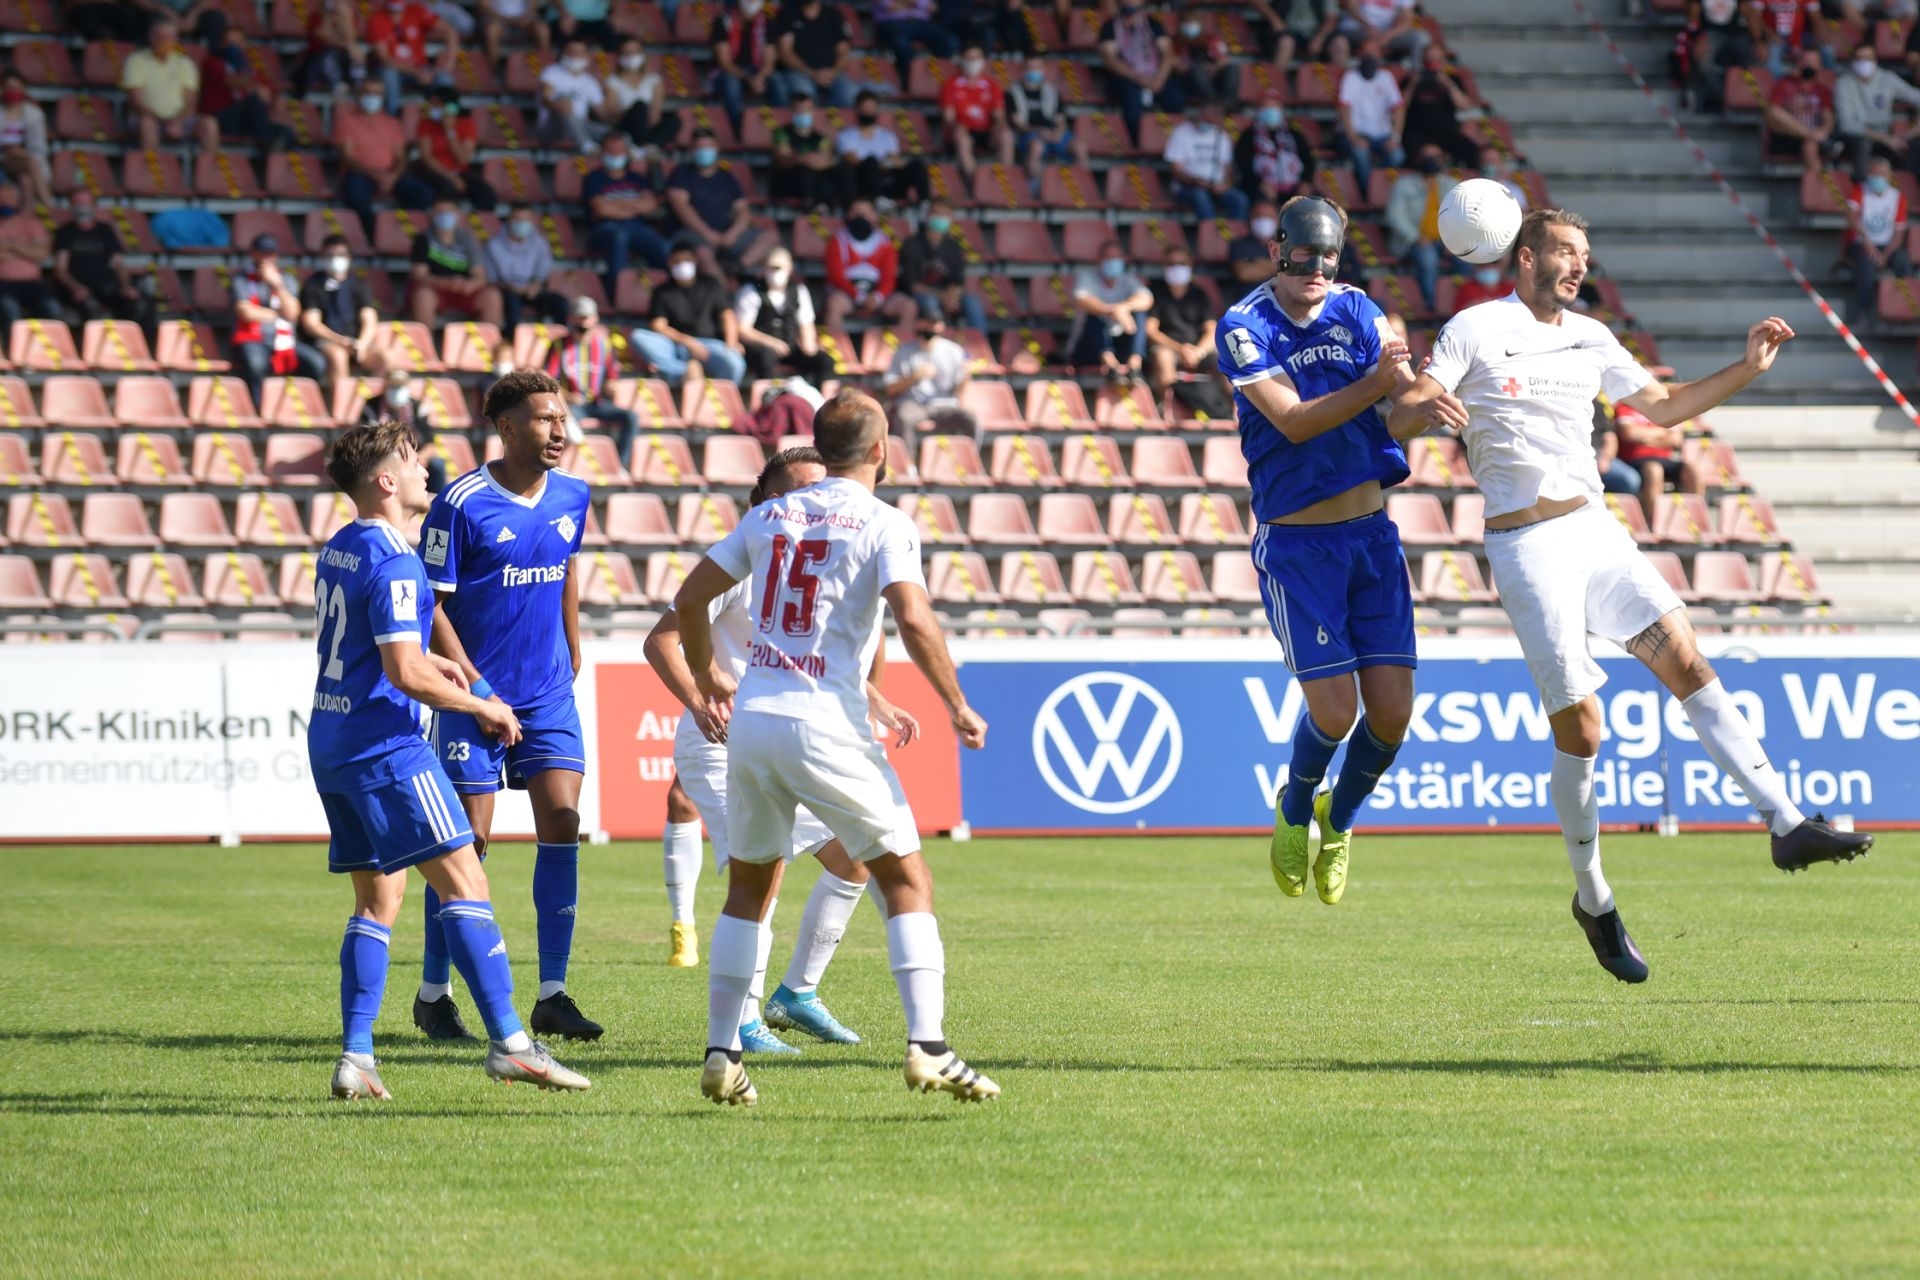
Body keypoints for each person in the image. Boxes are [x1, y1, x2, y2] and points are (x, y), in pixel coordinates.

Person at [1388, 207, 1873, 984]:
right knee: (1584, 728)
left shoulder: (1590, 336)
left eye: (1585, 254)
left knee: (1686, 657)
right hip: (1527, 545)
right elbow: (1406, 411)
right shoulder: (1476, 329)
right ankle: (1595, 900)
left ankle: (1784, 821)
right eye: (1566, 252)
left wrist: (1747, 368)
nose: (1579, 265)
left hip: (1595, 530)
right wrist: (1418, 405)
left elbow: (1667, 407)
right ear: (1526, 256)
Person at [672, 388, 999, 1108]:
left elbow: (688, 601)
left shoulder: (768, 515)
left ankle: (722, 1051)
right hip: (826, 723)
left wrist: (707, 675)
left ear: (821, 449)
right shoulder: (885, 521)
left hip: (753, 721)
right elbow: (912, 617)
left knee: (749, 892)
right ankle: (930, 1047)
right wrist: (956, 703)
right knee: (906, 879)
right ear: (882, 450)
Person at [310, 418, 590, 1100]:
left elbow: (381, 651)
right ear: (385, 481)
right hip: (387, 746)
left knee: (380, 898)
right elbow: (404, 673)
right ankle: (513, 1045)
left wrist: (431, 659)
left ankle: (357, 1056)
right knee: (466, 882)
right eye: (410, 461)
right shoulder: (396, 559)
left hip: (331, 737)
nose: (423, 468)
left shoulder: (342, 545)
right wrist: (482, 707)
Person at [646, 447, 921, 1044]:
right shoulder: (742, 562)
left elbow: (827, 654)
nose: (808, 502)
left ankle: (795, 993)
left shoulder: (832, 557)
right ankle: (742, 1021)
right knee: (762, 873)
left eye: (816, 488)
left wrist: (876, 699)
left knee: (852, 859)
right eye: (792, 490)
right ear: (763, 503)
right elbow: (662, 638)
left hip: (793, 731)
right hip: (721, 741)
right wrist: (700, 697)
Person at [1216, 195, 1421, 904]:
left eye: (1329, 256)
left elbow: (1395, 411)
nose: (1316, 268)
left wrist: (1432, 404)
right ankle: (1295, 807)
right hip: (1299, 545)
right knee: (1335, 713)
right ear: (1277, 251)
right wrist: (1379, 385)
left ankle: (1340, 819)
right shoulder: (1243, 326)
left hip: (1371, 535)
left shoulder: (1360, 308)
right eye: (1303, 254)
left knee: (1392, 714)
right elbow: (1297, 422)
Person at [414, 371, 605, 1044]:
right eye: (544, 419)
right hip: (472, 695)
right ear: (506, 427)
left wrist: (574, 647)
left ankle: (553, 992)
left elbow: (568, 567)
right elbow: (430, 604)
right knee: (469, 845)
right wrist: (474, 687)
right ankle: (434, 996)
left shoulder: (575, 495)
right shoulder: (461, 503)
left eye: (563, 418)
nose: (559, 431)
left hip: (548, 689)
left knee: (564, 819)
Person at [630, 245, 749, 386]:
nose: (682, 265)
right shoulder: (662, 291)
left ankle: (719, 394)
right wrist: (687, 341)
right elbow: (658, 326)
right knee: (638, 337)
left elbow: (727, 315)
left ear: (695, 260)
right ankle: (683, 372)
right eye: (677, 261)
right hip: (674, 345)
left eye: (686, 260)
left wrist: (731, 343)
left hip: (709, 345)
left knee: (734, 362)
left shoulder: (711, 284)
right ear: (669, 263)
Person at [229, 233, 327, 402]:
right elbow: (246, 312)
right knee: (255, 364)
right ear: (253, 253)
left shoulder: (286, 280)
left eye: (270, 253)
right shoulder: (241, 279)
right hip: (253, 339)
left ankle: (304, 406)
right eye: (262, 252)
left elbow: (292, 313)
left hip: (286, 341)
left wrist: (277, 286)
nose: (266, 258)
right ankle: (258, 410)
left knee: (316, 364)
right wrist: (278, 314)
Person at [666, 126, 767, 277]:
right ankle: (721, 298)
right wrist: (709, 234)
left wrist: (733, 234)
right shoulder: (681, 174)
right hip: (693, 235)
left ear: (716, 148)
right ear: (692, 149)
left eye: (707, 146)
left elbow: (743, 210)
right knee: (703, 254)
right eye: (699, 147)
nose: (704, 151)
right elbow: (682, 208)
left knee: (769, 237)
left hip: (726, 236)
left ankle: (737, 267)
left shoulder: (727, 177)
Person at [546, 297, 639, 458]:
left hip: (598, 402)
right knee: (564, 425)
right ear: (571, 319)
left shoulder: (604, 345)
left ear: (595, 319)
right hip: (571, 404)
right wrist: (567, 396)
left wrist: (611, 385)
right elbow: (549, 380)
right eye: (579, 318)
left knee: (631, 417)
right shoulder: (559, 345)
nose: (583, 324)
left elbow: (612, 376)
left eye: (587, 318)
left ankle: (620, 464)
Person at [583, 132, 670, 299]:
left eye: (620, 151)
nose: (616, 155)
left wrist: (616, 205)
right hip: (604, 229)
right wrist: (634, 206)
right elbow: (601, 210)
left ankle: (665, 293)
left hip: (637, 228)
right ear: (603, 153)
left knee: (662, 245)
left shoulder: (636, 178)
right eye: (611, 151)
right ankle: (616, 294)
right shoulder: (594, 178)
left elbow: (650, 206)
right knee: (618, 237)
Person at [735, 247, 835, 385]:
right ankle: (769, 398)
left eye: (779, 268)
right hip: (761, 348)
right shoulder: (751, 291)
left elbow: (807, 323)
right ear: (764, 269)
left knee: (824, 361)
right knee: (765, 358)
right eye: (771, 268)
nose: (775, 273)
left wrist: (809, 344)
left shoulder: (799, 291)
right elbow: (743, 330)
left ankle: (823, 401)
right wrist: (771, 343)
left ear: (789, 269)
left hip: (790, 347)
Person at [299, 235, 383, 393]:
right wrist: (340, 340)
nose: (335, 259)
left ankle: (376, 406)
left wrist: (362, 344)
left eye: (341, 255)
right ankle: (342, 411)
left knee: (384, 358)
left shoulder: (359, 285)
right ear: (322, 257)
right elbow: (311, 324)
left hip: (356, 343)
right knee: (338, 357)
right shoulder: (313, 286)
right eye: (330, 255)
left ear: (349, 258)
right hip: (326, 342)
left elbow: (369, 319)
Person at [52, 192, 149, 327]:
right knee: (89, 308)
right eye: (77, 203)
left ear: (93, 206)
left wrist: (126, 286)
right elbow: (61, 270)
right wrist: (76, 288)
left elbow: (119, 264)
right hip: (77, 291)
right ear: (71, 206)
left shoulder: (105, 230)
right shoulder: (65, 232)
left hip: (106, 288)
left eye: (85, 203)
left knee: (137, 303)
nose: (81, 207)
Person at [1385, 144, 1461, 314]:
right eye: (1427, 157)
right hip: (1412, 241)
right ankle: (1430, 305)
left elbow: (1462, 215)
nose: (1431, 161)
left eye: (1436, 157)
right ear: (1418, 159)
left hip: (1445, 240)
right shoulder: (1404, 184)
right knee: (1428, 258)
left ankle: (1462, 303)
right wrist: (1416, 237)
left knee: (1466, 256)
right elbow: (1394, 216)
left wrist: (1454, 239)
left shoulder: (1452, 184)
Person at [883, 301, 975, 440]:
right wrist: (915, 376)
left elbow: (957, 392)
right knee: (903, 417)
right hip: (914, 404)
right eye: (925, 322)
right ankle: (908, 461)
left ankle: (971, 458)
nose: (929, 327)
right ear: (917, 323)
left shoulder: (954, 351)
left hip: (944, 404)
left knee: (971, 419)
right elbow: (890, 390)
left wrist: (967, 377)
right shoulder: (903, 351)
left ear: (941, 326)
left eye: (933, 323)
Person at [408, 198, 504, 327]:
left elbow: (480, 274)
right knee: (423, 296)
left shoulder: (468, 238)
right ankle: (424, 345)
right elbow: (419, 275)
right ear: (432, 215)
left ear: (457, 215)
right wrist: (447, 283)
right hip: (436, 289)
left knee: (492, 296)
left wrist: (472, 284)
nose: (445, 217)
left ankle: (489, 344)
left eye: (449, 212)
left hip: (463, 290)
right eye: (440, 213)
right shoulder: (423, 239)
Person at [823, 200, 916, 330]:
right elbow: (836, 276)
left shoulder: (885, 242)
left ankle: (904, 347)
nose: (861, 217)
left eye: (866, 213)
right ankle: (834, 347)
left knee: (908, 306)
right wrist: (859, 296)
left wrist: (878, 297)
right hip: (848, 294)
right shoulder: (837, 241)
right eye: (856, 212)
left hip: (876, 293)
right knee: (834, 304)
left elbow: (889, 276)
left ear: (875, 216)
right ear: (848, 215)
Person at [1069, 241, 1153, 382]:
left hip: (1119, 344)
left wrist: (1124, 308)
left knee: (1140, 313)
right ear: (1099, 259)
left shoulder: (1128, 280)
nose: (1113, 261)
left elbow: (1147, 299)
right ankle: (1111, 365)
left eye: (1116, 258)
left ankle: (1135, 366)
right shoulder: (1087, 278)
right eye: (1109, 257)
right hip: (1089, 348)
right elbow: (1082, 300)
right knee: (1094, 315)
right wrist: (1110, 311)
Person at [1099, 0, 1180, 145]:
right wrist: (1138, 77)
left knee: (1175, 96)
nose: (1131, 17)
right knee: (1131, 96)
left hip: (1154, 75)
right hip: (1126, 78)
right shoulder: (1110, 26)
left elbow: (1168, 53)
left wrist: (1159, 79)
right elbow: (1110, 59)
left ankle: (1174, 140)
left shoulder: (1153, 24)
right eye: (1127, 12)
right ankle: (1136, 140)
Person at [1835, 43, 1920, 179]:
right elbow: (1847, 125)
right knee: (1863, 143)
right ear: (1853, 61)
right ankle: (1861, 190)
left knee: (1913, 144)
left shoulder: (1887, 79)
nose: (1864, 63)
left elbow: (1917, 97)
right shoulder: (1844, 83)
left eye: (1868, 58)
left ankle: (1906, 189)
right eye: (1859, 59)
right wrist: (1886, 139)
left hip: (1885, 134)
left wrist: (1916, 127)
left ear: (1875, 61)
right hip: (1854, 138)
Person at [1613, 401, 1705, 526]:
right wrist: (1662, 432)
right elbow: (1629, 434)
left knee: (1694, 470)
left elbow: (1675, 439)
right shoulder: (1624, 407)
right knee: (1654, 470)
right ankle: (1654, 524)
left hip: (1664, 459)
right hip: (1633, 460)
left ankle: (1691, 522)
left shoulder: (1665, 409)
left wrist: (1644, 437)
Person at [834, 90, 932, 208]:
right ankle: (878, 199)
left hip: (887, 179)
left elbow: (895, 160)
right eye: (865, 107)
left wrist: (887, 164)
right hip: (863, 182)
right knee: (870, 161)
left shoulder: (887, 136)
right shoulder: (847, 135)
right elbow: (851, 159)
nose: (868, 111)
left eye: (872, 107)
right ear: (857, 109)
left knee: (917, 165)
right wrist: (879, 164)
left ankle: (925, 204)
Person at [1846, 155, 1912, 327]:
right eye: (1874, 174)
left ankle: (1905, 309)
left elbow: (1899, 232)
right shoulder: (1859, 190)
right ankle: (1864, 311)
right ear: (1868, 174)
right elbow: (1852, 217)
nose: (1878, 178)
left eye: (1882, 174)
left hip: (1887, 245)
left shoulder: (1898, 197)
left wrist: (1885, 254)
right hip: (1862, 242)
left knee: (1902, 261)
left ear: (1889, 176)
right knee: (1866, 263)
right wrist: (1869, 244)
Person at [899, 201, 986, 332]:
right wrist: (942, 296)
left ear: (951, 219)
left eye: (946, 214)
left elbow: (958, 281)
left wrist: (952, 296)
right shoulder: (911, 244)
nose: (941, 217)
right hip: (921, 295)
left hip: (946, 294)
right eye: (937, 213)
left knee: (972, 302)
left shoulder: (954, 247)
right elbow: (913, 285)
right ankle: (937, 342)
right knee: (930, 302)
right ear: (928, 215)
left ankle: (982, 345)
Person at [406, 86, 496, 212]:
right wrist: (450, 177)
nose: (432, 107)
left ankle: (481, 228)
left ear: (449, 107)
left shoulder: (466, 124)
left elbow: (463, 159)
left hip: (460, 172)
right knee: (448, 188)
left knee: (486, 193)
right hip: (435, 172)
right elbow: (426, 157)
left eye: (437, 104)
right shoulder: (425, 124)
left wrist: (450, 131)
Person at [334, 89, 409, 238]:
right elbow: (347, 157)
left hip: (390, 173)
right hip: (361, 173)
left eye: (376, 93)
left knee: (422, 194)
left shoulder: (392, 123)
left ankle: (404, 235)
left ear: (383, 97)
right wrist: (375, 175)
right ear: (359, 96)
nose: (371, 97)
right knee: (355, 195)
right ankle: (375, 236)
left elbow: (401, 157)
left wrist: (393, 176)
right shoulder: (347, 121)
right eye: (367, 92)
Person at [1008, 56, 1085, 197]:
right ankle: (1036, 188)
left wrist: (1059, 133)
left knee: (1080, 146)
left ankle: (1083, 187)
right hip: (1030, 134)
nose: (1033, 71)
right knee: (1036, 146)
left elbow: (1061, 120)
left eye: (1037, 67)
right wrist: (1039, 131)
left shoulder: (1052, 92)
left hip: (1053, 133)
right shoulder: (1013, 92)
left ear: (1043, 69)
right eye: (1030, 67)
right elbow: (1017, 123)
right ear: (1023, 70)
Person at [121, 17, 201, 153]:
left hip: (179, 119)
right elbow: (135, 100)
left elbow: (190, 101)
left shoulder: (186, 63)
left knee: (209, 125)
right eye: (161, 36)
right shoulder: (136, 60)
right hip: (146, 117)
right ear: (151, 38)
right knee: (148, 124)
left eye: (170, 37)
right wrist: (163, 122)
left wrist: (177, 121)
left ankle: (210, 173)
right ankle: (153, 171)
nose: (166, 40)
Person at [487, 204, 569, 333]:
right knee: (511, 304)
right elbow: (490, 279)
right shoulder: (494, 245)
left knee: (560, 303)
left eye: (525, 220)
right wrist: (509, 287)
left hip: (532, 290)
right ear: (509, 220)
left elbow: (542, 271)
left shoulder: (539, 243)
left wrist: (535, 285)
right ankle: (511, 344)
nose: (521, 224)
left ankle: (561, 342)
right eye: (517, 220)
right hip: (508, 290)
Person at [1145, 246, 1215, 398]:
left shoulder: (1199, 294)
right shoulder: (1156, 292)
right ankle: (1171, 407)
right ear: (1164, 266)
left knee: (1227, 359)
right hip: (1169, 348)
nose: (1177, 268)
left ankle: (1235, 412)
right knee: (1162, 356)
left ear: (1190, 265)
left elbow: (1211, 329)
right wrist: (1180, 349)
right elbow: (1150, 330)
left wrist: (1198, 352)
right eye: (1172, 264)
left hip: (1197, 350)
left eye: (1182, 263)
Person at [1165, 100, 1248, 223]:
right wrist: (1196, 181)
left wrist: (1225, 185)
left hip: (1216, 186)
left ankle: (1235, 236)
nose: (1209, 123)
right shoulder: (1181, 133)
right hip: (1189, 187)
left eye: (1213, 120)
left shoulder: (1221, 136)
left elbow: (1228, 168)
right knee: (1200, 196)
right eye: (1207, 118)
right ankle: (1210, 235)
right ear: (1200, 114)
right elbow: (1176, 170)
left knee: (1239, 199)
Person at [366, 0, 456, 113]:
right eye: (392, 10)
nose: (395, 15)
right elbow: (385, 59)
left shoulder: (416, 11)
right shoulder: (377, 19)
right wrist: (417, 72)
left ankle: (449, 118)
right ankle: (393, 116)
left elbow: (450, 31)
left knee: (444, 78)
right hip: (398, 70)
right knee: (389, 74)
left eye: (398, 10)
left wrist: (449, 64)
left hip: (421, 68)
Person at [1337, 42, 1405, 191]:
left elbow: (1399, 108)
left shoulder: (1386, 76)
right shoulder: (1350, 77)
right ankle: (1367, 193)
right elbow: (1343, 108)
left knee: (1397, 155)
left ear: (1379, 56)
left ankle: (1379, 189)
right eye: (1366, 53)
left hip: (1382, 136)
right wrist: (1353, 137)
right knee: (1361, 154)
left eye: (1373, 53)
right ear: (1359, 55)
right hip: (1356, 134)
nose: (1369, 57)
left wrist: (1395, 138)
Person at [940, 43, 1013, 181]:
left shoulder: (992, 85)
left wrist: (1000, 125)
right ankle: (975, 182)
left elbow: (999, 115)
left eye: (977, 58)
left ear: (983, 60)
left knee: (1006, 134)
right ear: (961, 60)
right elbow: (948, 117)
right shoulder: (950, 85)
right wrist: (957, 126)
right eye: (969, 58)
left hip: (986, 130)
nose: (973, 62)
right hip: (963, 130)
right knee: (962, 138)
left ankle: (1006, 179)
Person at [710, 0, 783, 134]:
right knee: (731, 83)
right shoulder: (723, 21)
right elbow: (724, 62)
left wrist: (759, 78)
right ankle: (737, 130)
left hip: (757, 71)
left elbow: (769, 61)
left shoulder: (767, 22)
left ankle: (781, 129)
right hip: (729, 72)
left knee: (778, 82)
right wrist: (749, 78)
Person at [1399, 44, 1477, 169]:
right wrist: (1412, 86)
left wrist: (1448, 85)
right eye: (1429, 60)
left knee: (1469, 149)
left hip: (1446, 133)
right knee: (1406, 149)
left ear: (1443, 61)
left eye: (1437, 60)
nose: (1433, 64)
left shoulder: (1453, 80)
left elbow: (1464, 106)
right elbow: (1400, 106)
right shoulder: (1410, 80)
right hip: (1417, 132)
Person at [1235, 92, 1316, 206]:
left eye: (1274, 107)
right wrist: (1260, 183)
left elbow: (1308, 159)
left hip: (1294, 187)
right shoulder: (1249, 136)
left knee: (1317, 205)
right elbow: (1244, 165)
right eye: (1266, 107)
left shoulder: (1294, 134)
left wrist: (1305, 182)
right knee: (1261, 202)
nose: (1271, 111)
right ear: (1259, 110)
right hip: (1262, 188)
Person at [774, 0, 857, 109]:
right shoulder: (788, 14)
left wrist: (833, 72)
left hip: (831, 74)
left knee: (850, 94)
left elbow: (843, 51)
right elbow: (785, 52)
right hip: (798, 72)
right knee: (805, 96)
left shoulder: (833, 15)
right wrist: (810, 72)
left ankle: (832, 125)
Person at [1764, 48, 1838, 171]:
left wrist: (1823, 132)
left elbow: (1828, 119)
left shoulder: (1824, 91)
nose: (1809, 64)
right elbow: (1773, 115)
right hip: (1786, 137)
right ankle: (1811, 135)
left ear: (1819, 66)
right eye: (1806, 61)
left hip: (1814, 140)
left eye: (1813, 61)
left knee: (1810, 145)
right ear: (1799, 63)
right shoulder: (1784, 84)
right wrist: (1788, 106)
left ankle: (1817, 187)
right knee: (1773, 112)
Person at [601, 37, 678, 152]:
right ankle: (647, 145)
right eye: (626, 53)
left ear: (643, 55)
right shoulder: (612, 81)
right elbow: (614, 112)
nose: (631, 56)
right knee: (640, 106)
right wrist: (635, 114)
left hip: (649, 124)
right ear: (619, 57)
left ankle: (647, 146)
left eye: (635, 52)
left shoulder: (654, 80)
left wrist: (647, 122)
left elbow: (656, 108)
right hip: (626, 125)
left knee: (674, 121)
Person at [769, 89, 836, 208]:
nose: (803, 114)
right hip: (789, 182)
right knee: (805, 169)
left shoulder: (821, 138)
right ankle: (810, 205)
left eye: (806, 110)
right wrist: (802, 159)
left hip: (815, 181)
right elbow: (783, 158)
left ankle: (827, 205)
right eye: (799, 110)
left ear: (813, 111)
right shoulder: (781, 134)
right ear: (791, 111)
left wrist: (814, 161)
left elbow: (826, 160)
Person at [538, 38, 606, 151]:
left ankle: (631, 148)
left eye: (580, 52)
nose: (575, 56)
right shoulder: (551, 72)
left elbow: (603, 112)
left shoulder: (590, 81)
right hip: (552, 128)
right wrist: (558, 104)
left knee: (612, 133)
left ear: (586, 55)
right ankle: (586, 146)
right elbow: (545, 99)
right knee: (563, 104)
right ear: (564, 53)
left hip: (580, 125)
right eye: (572, 52)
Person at [0, 73, 51, 209]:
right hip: (4, 158)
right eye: (9, 87)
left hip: (24, 159)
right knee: (31, 163)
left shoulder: (34, 114)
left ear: (23, 90)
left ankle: (27, 214)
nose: (13, 91)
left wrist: (20, 151)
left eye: (17, 88)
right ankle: (48, 205)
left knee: (26, 179)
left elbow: (39, 148)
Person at [873, 0, 956, 83]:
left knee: (949, 41)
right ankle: (907, 79)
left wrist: (903, 3)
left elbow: (932, 7)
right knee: (901, 44)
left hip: (920, 22)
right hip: (891, 23)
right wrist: (914, 4)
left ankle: (932, 74)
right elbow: (890, 7)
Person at [1170, 14, 1238, 106]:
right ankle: (1213, 104)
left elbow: (1224, 58)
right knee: (1197, 70)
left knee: (1232, 68)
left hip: (1212, 77)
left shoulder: (1211, 39)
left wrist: (1212, 68)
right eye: (1187, 23)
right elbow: (1174, 64)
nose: (1190, 26)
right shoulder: (1175, 43)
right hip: (1189, 80)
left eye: (1192, 22)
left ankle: (1229, 104)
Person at [1752, 0, 1830, 78]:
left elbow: (1816, 17)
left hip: (1800, 34)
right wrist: (1762, 38)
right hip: (1774, 36)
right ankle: (1779, 86)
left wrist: (1821, 35)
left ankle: (1828, 81)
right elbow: (1755, 17)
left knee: (1827, 49)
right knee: (1773, 64)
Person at [1346, 0, 1425, 66]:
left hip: (1385, 32)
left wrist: (1389, 35)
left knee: (1416, 37)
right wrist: (1367, 26)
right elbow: (1350, 6)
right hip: (1358, 28)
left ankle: (1417, 74)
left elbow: (1406, 20)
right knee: (1371, 43)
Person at [1229, 201, 1282, 287]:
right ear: (1250, 220)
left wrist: (1259, 263)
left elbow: (1296, 271)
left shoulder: (1286, 245)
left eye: (1268, 216)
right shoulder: (1239, 245)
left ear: (1277, 221)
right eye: (1258, 216)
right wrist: (1280, 267)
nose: (1263, 220)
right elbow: (1244, 274)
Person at [482, 0, 549, 65]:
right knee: (492, 31)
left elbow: (532, 8)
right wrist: (505, 19)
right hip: (498, 20)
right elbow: (484, 7)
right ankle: (492, 71)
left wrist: (526, 17)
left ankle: (545, 70)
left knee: (542, 30)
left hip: (524, 20)